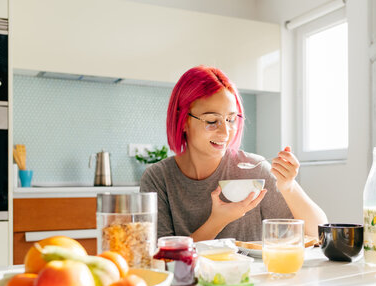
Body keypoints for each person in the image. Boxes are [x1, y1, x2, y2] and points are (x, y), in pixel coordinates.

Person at [140, 65, 327, 242]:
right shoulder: (159, 178)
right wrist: (218, 220)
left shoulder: (255, 170)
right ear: (183, 121)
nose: (225, 132)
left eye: (231, 119)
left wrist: (289, 186)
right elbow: (161, 259)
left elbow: (320, 233)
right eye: (212, 120)